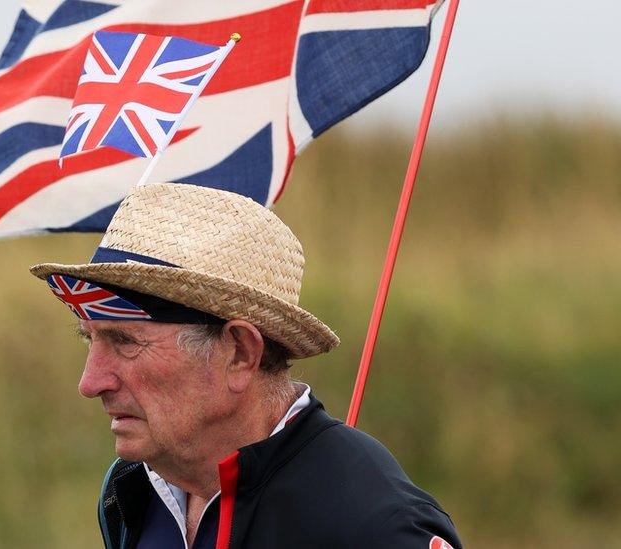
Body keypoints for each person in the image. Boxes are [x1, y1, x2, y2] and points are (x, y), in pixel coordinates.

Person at [30, 183, 461, 549]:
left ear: (239, 353)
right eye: (91, 339)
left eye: (124, 342)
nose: (90, 382)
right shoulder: (131, 489)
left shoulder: (377, 526)